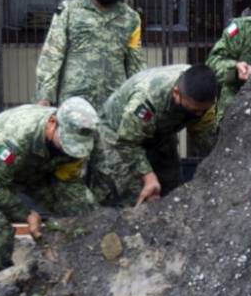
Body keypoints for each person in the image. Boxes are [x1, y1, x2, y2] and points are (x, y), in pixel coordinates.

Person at [0, 98, 99, 276]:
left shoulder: (80, 138)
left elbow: (69, 183)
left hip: (36, 169)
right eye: (68, 142)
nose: (72, 150)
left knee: (84, 210)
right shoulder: (16, 137)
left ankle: (74, 267)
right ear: (52, 123)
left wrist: (74, 217)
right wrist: (27, 214)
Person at [89, 64, 220, 207]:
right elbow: (126, 143)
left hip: (160, 132)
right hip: (118, 134)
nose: (199, 114)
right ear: (176, 93)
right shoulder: (147, 99)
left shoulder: (203, 88)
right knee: (134, 194)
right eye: (194, 110)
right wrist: (148, 177)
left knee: (172, 187)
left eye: (203, 110)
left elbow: (203, 132)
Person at [34, 0, 144, 110]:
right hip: (74, 103)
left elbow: (136, 63)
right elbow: (52, 54)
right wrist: (44, 97)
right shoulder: (69, 10)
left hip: (114, 103)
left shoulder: (131, 18)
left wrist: (139, 97)